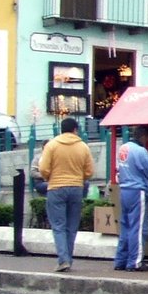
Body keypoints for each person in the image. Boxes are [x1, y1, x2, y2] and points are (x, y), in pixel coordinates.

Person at [38, 117, 94, 273]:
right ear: (75, 130)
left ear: (61, 129)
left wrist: (49, 177)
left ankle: (63, 260)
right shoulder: (83, 147)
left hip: (56, 187)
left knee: (58, 226)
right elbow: (89, 171)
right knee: (72, 227)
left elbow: (43, 168)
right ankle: (68, 258)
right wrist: (79, 177)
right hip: (76, 188)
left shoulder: (51, 145)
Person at [113, 127, 148, 271]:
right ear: (144, 136)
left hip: (124, 190)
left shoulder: (124, 148)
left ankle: (120, 260)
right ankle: (135, 262)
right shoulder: (140, 151)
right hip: (137, 191)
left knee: (126, 227)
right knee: (138, 228)